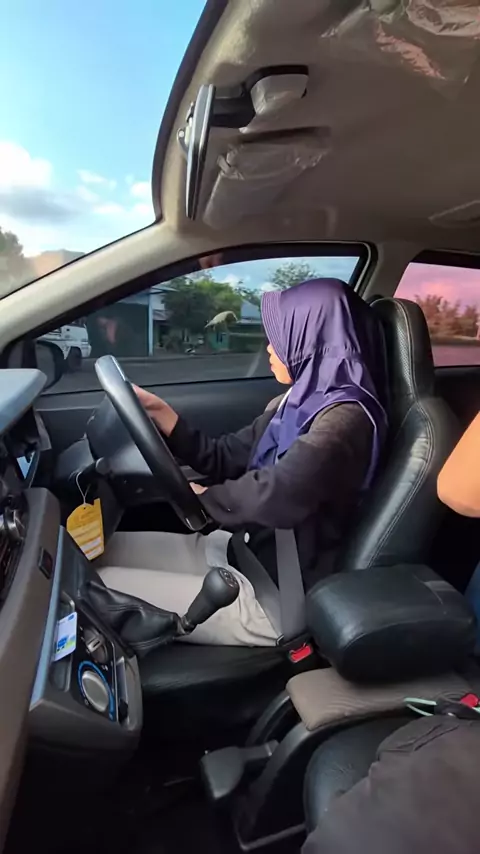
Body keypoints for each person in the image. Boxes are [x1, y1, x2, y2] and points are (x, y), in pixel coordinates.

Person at [97, 279, 387, 646]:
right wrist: (162, 414)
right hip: (243, 551)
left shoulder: (347, 419)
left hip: (275, 596)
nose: (269, 347)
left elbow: (281, 492)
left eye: (280, 337)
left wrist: (205, 498)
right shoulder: (293, 403)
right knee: (95, 554)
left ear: (311, 338)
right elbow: (223, 456)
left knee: (94, 587)